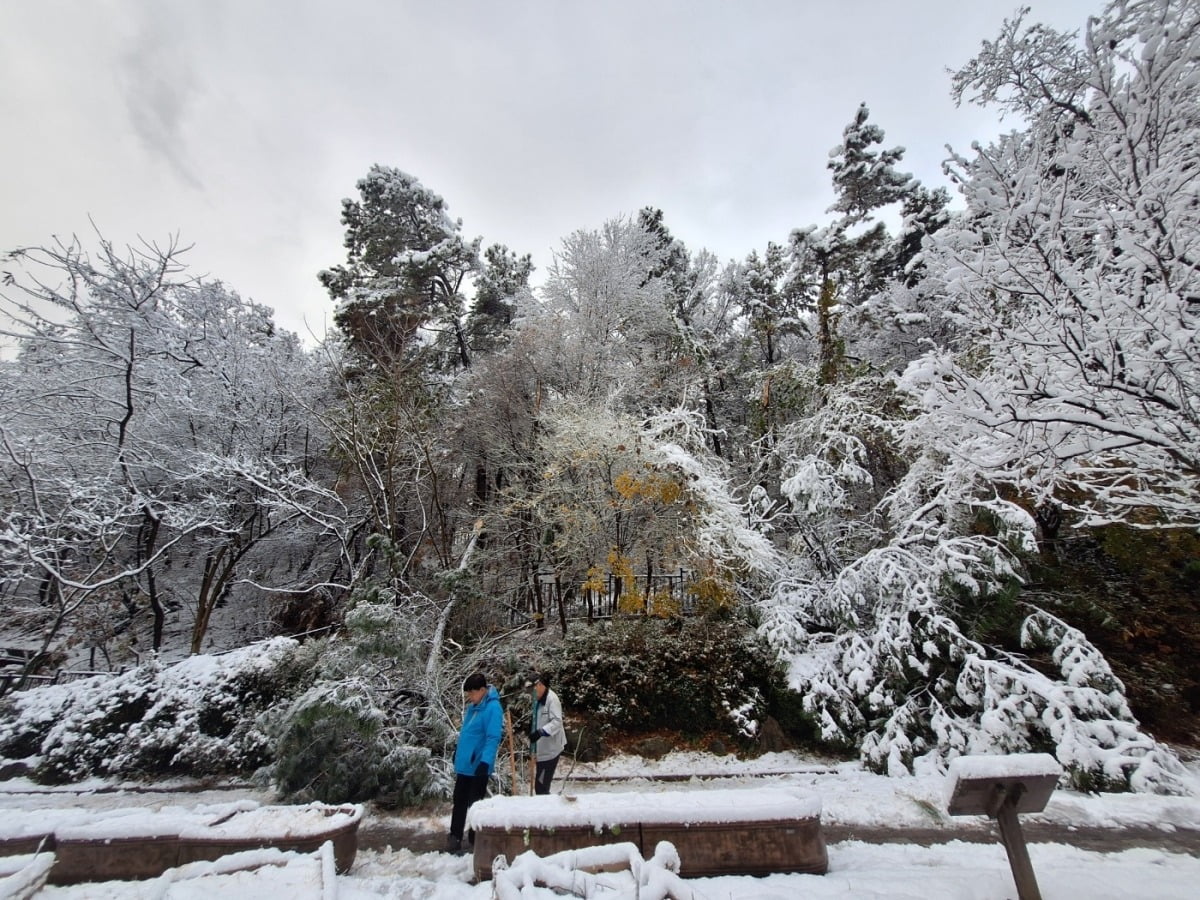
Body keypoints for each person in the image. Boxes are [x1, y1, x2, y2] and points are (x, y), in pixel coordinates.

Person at [447, 671, 503, 853]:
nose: (469, 697)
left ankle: (474, 838)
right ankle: (454, 836)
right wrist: (459, 752)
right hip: (465, 765)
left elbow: (492, 737)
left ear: (482, 690)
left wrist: (485, 761)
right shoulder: (474, 706)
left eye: (471, 693)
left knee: (475, 805)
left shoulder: (493, 708)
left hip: (478, 766)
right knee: (459, 801)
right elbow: (467, 733)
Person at [529, 671, 566, 795]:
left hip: (551, 750)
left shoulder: (552, 699)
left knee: (541, 787)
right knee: (539, 787)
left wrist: (541, 732)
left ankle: (548, 812)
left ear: (539, 685)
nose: (531, 694)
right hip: (541, 751)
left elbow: (557, 722)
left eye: (533, 689)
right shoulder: (537, 700)